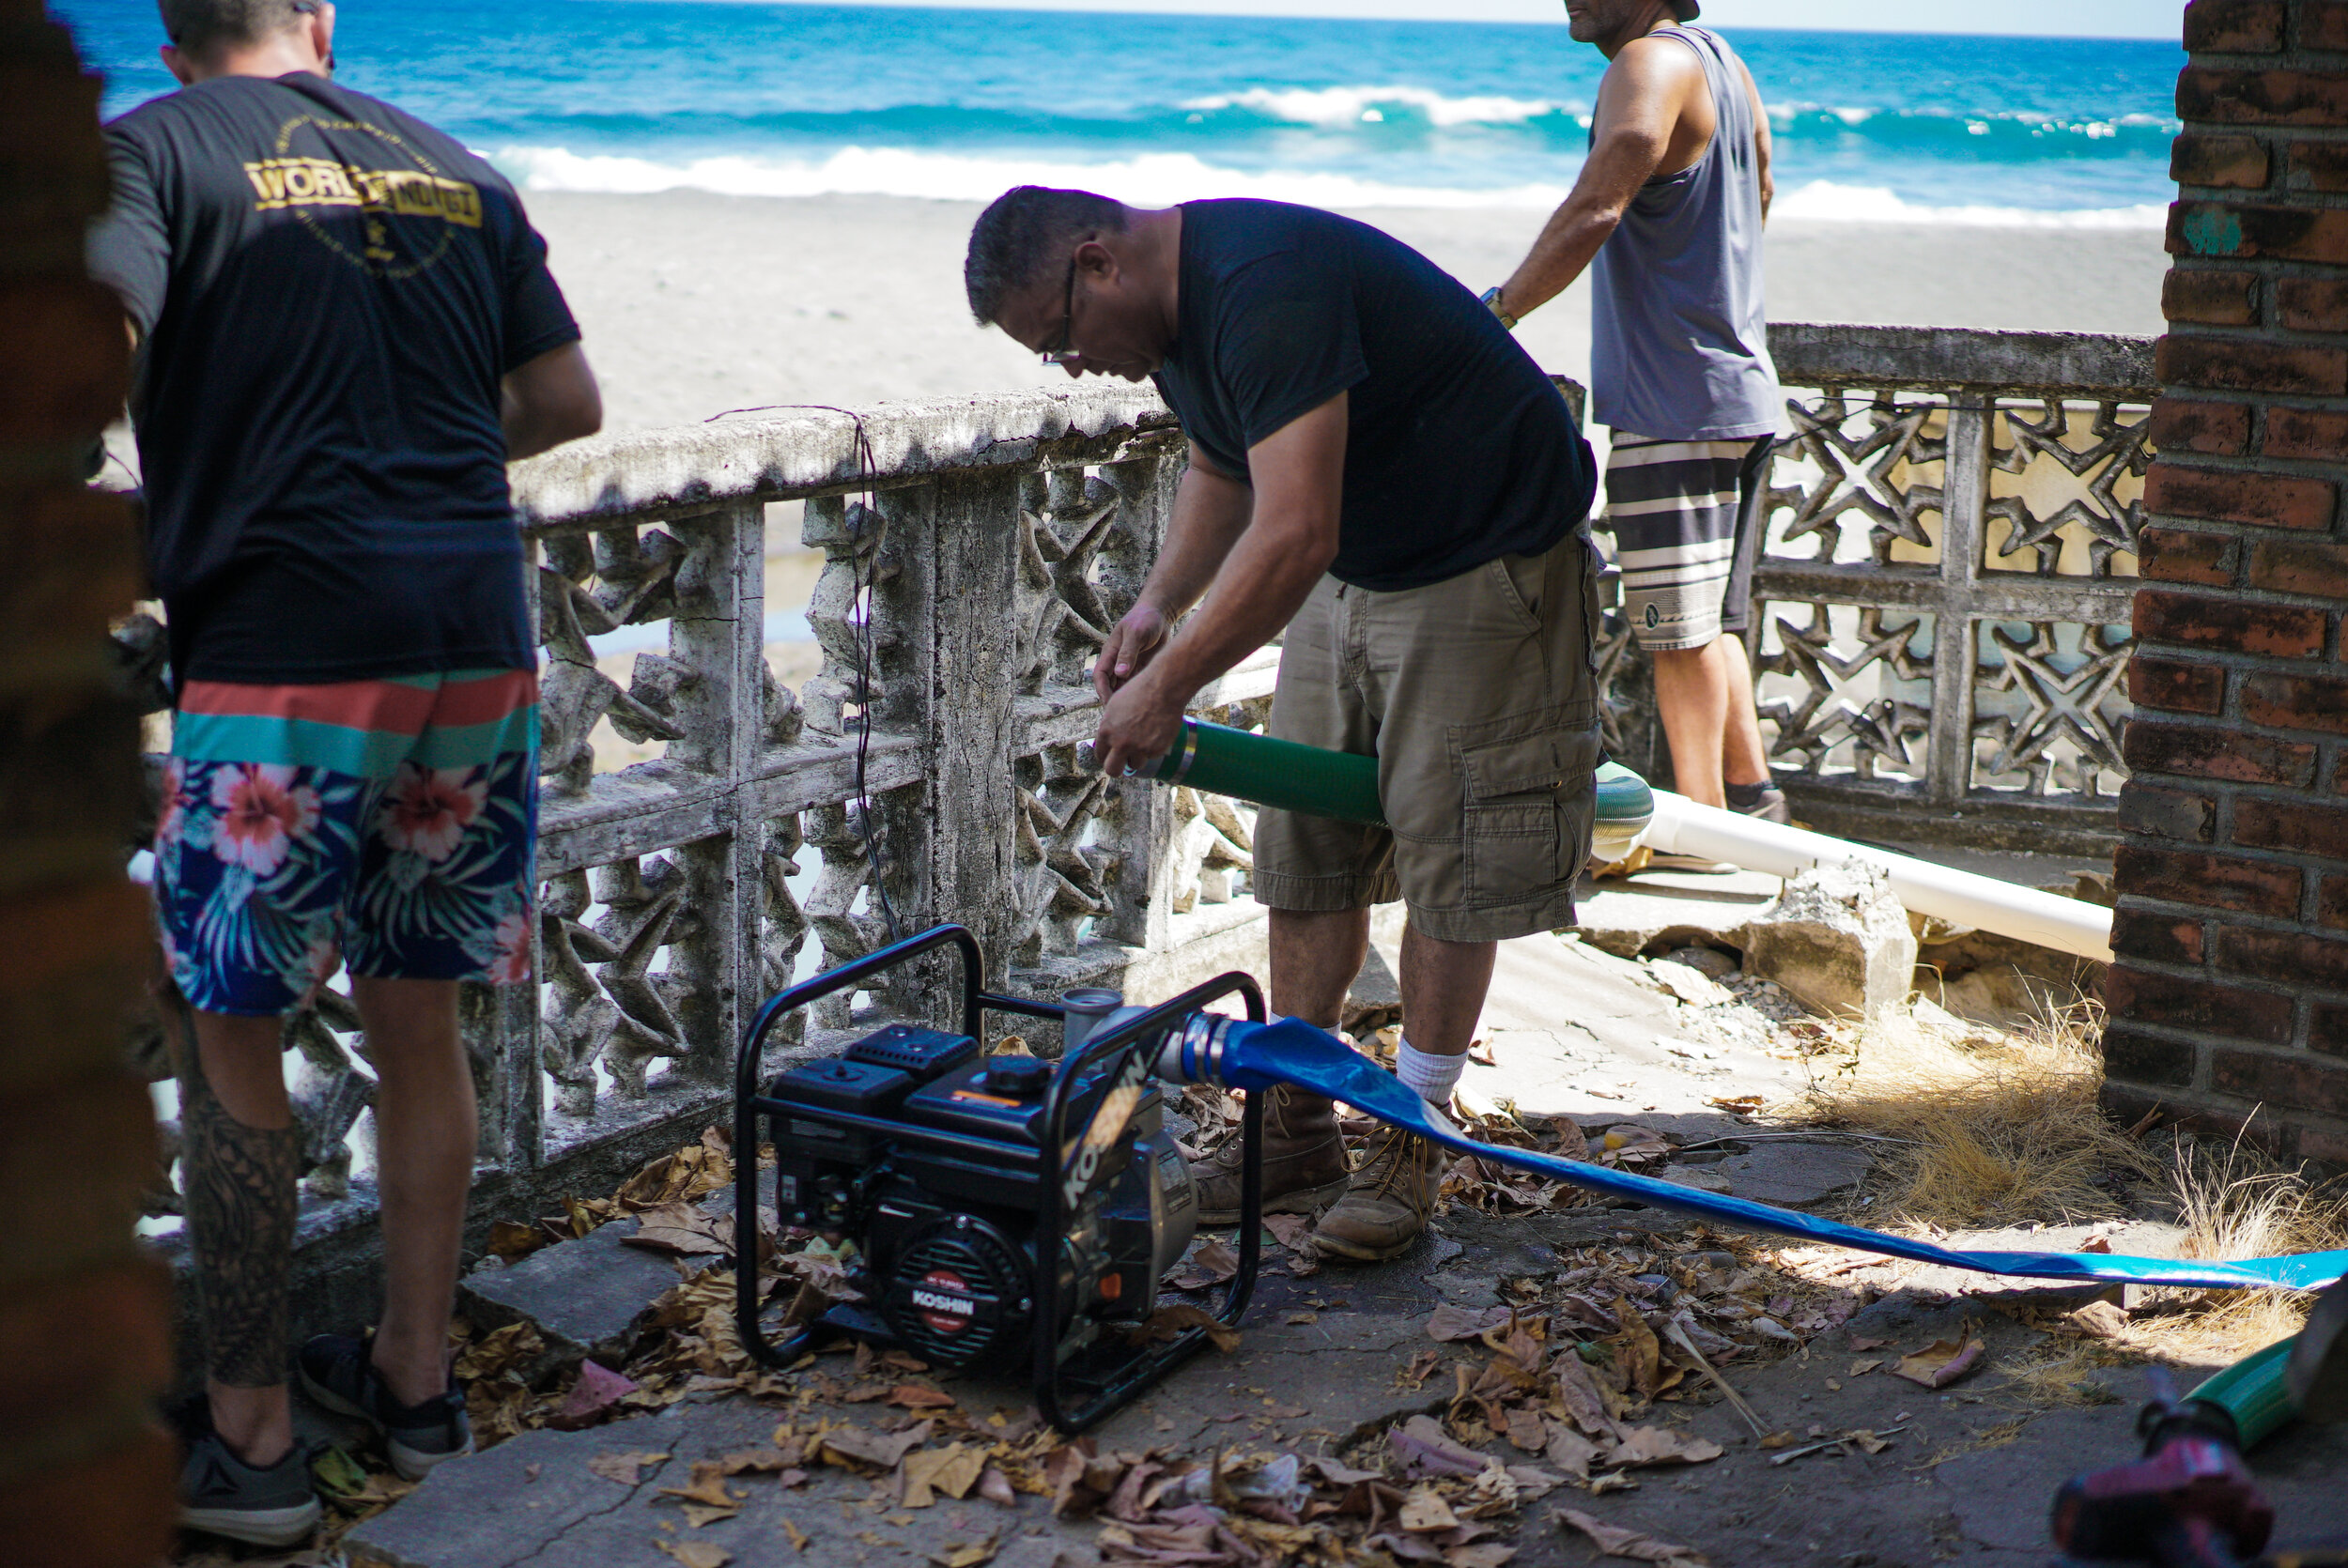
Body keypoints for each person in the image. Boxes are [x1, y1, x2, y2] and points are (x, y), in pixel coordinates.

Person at [87, 0, 601, 1545]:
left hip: (285, 650)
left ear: (175, 44)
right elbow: (565, 403)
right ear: (319, 21)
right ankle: (416, 1384)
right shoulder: (456, 164)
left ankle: (251, 1444)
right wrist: (400, 451)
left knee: (233, 1035)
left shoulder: (153, 151)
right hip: (472, 642)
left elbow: (87, 353)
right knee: (417, 1015)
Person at [965, 190, 1599, 1264]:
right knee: (1306, 851)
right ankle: (1295, 1124)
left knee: (1452, 854)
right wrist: (1157, 605)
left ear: (1098, 263)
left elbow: (1294, 529)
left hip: (1483, 558)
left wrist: (1167, 688)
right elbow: (1223, 465)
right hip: (1359, 564)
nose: (1071, 367)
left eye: (1060, 339)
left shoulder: (1264, 287)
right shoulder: (1170, 321)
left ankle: (1412, 1131)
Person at [1484, 0, 1789, 848]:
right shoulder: (1725, 62)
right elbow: (1762, 187)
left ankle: (1708, 837)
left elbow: (1597, 206)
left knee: (1678, 635)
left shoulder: (1647, 64)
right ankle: (1754, 802)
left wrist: (1494, 314)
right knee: (1714, 624)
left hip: (1673, 404)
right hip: (1738, 390)